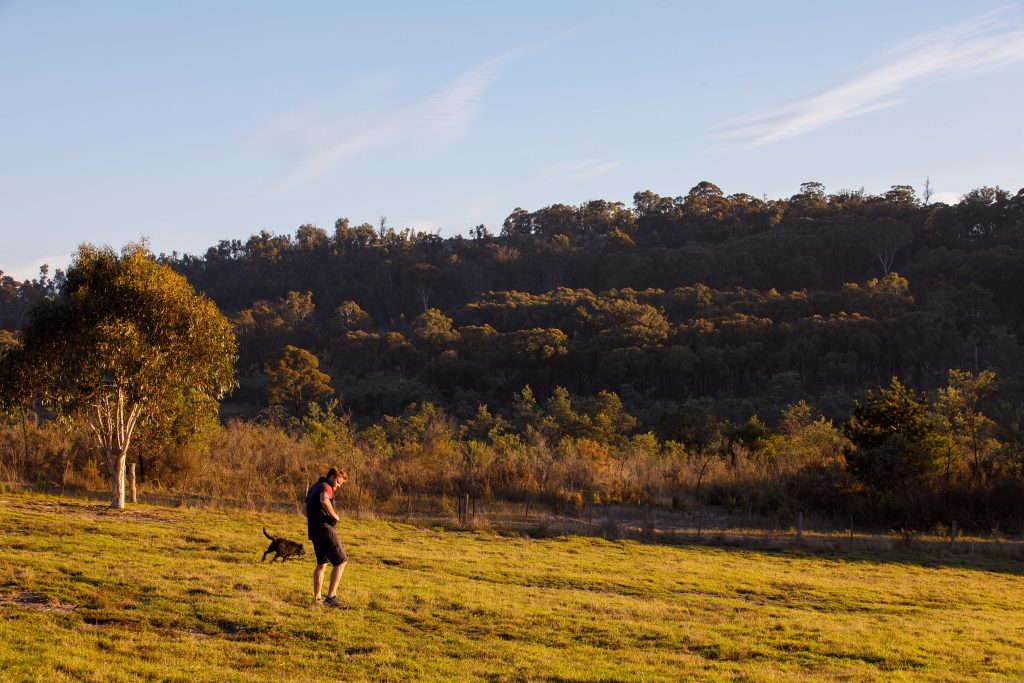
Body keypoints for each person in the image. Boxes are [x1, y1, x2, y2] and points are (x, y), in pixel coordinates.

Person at [304, 467, 348, 606]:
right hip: (325, 530)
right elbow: (324, 500)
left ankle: (317, 599)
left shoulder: (314, 487)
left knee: (322, 564)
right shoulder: (326, 486)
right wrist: (334, 516)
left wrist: (315, 519)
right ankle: (331, 598)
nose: (339, 486)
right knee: (341, 562)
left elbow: (304, 509)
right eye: (339, 483)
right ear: (334, 477)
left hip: (314, 531)